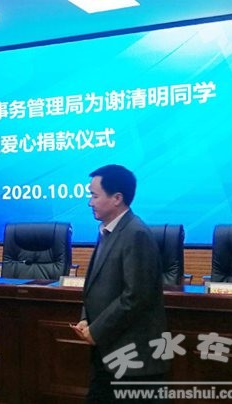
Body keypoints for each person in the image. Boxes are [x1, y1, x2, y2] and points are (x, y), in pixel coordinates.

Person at [72, 164, 169, 403]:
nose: (89, 202)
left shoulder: (136, 234)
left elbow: (135, 297)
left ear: (117, 198)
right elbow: (96, 286)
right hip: (108, 351)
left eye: (94, 196)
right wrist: (86, 318)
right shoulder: (107, 231)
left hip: (133, 357)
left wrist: (97, 330)